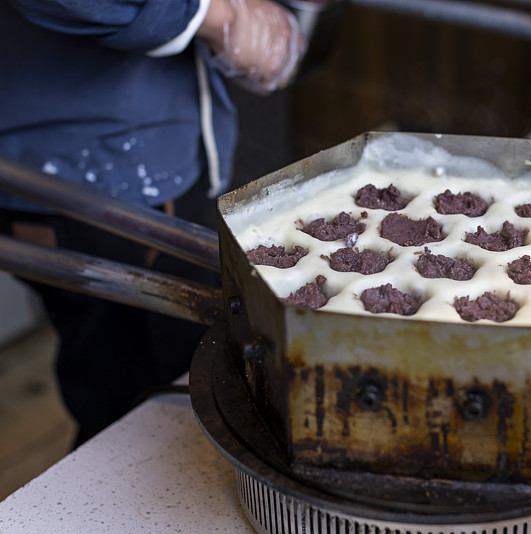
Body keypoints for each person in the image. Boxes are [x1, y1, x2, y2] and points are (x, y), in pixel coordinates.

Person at [0, 0, 304, 445]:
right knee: (148, 408)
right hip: (96, 177)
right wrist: (217, 15)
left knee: (152, 385)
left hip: (149, 158)